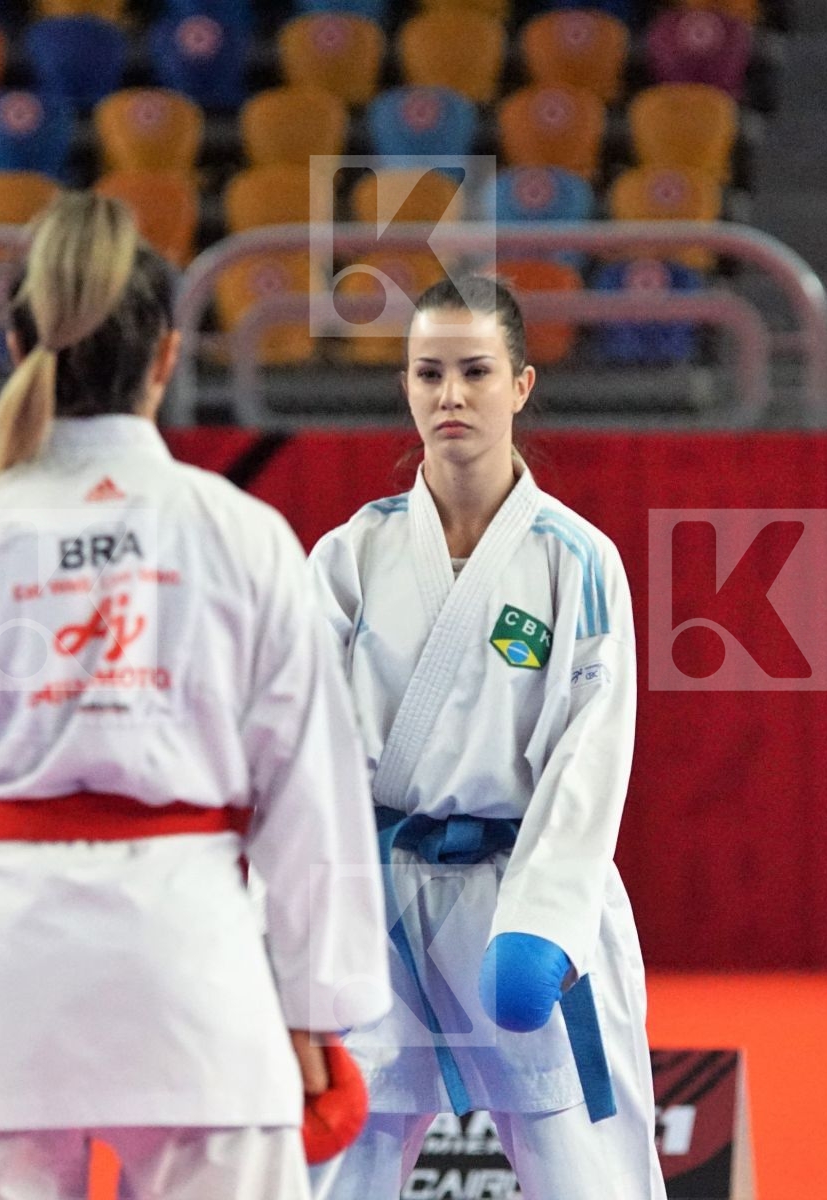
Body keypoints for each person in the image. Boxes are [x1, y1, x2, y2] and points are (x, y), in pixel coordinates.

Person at [0, 192, 390, 1200]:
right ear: (167, 357)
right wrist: (316, 1007)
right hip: (194, 972)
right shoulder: (241, 532)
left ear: (15, 345)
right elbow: (310, 793)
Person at [307, 276, 668, 1200]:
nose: (451, 395)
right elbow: (304, 749)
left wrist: (545, 920)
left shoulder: (576, 559)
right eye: (430, 373)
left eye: (476, 372)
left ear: (522, 385)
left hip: (523, 892)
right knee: (340, 1158)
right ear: (406, 387)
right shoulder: (350, 555)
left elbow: (592, 751)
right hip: (378, 900)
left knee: (585, 1166)